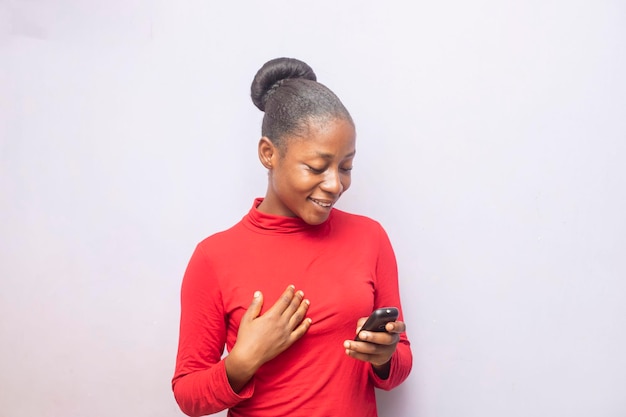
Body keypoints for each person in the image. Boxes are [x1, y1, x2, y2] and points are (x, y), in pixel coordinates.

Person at [172, 57, 412, 417]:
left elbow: (399, 363)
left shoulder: (370, 238)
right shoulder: (214, 257)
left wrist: (383, 356)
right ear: (269, 153)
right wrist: (243, 361)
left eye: (346, 167)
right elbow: (189, 395)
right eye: (317, 167)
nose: (335, 184)